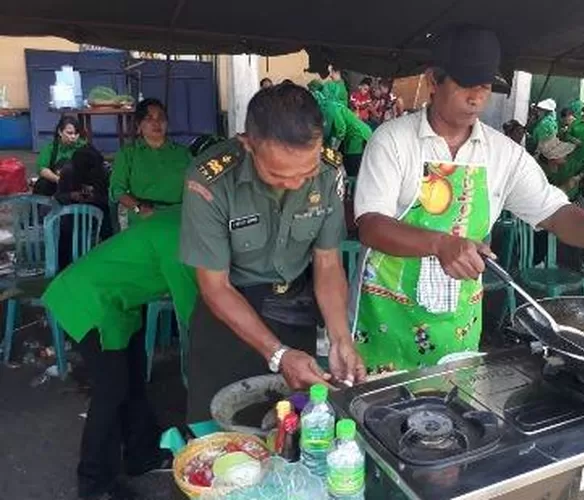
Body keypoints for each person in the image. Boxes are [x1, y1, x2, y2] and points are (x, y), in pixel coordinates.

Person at [351, 26, 584, 373]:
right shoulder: (392, 141)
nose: (477, 97)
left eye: (485, 86)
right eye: (466, 83)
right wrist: (440, 243)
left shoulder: (503, 153)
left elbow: (553, 211)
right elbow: (370, 226)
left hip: (456, 323)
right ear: (434, 81)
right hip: (387, 322)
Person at [180, 83, 365, 422]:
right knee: (225, 437)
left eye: (305, 173)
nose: (296, 183)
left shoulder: (328, 172)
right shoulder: (209, 181)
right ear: (248, 144)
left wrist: (340, 338)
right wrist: (277, 355)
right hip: (229, 316)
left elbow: (327, 262)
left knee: (295, 429)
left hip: (295, 311)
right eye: (279, 175)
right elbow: (215, 286)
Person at [41, 208, 197, 500]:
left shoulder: (183, 216)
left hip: (117, 304)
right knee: (111, 391)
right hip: (88, 301)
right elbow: (194, 314)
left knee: (134, 380)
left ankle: (141, 455)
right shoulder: (182, 239)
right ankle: (94, 484)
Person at [109, 98, 192, 226]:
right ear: (139, 124)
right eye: (149, 118)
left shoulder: (183, 153)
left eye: (161, 118)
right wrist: (138, 207)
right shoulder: (128, 153)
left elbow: (196, 184)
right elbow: (117, 190)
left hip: (177, 217)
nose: (156, 123)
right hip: (142, 217)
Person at [55, 146, 113, 269]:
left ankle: (108, 262)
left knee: (109, 230)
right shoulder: (68, 171)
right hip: (73, 212)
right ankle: (64, 266)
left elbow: (113, 197)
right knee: (64, 230)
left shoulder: (104, 171)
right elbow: (59, 196)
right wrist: (72, 195)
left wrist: (95, 198)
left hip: (99, 211)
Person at [34, 116, 87, 195]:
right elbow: (42, 169)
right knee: (42, 184)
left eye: (76, 133)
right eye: (69, 133)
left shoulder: (84, 147)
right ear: (60, 132)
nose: (73, 137)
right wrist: (58, 180)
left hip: (78, 183)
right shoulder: (51, 148)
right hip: (57, 182)